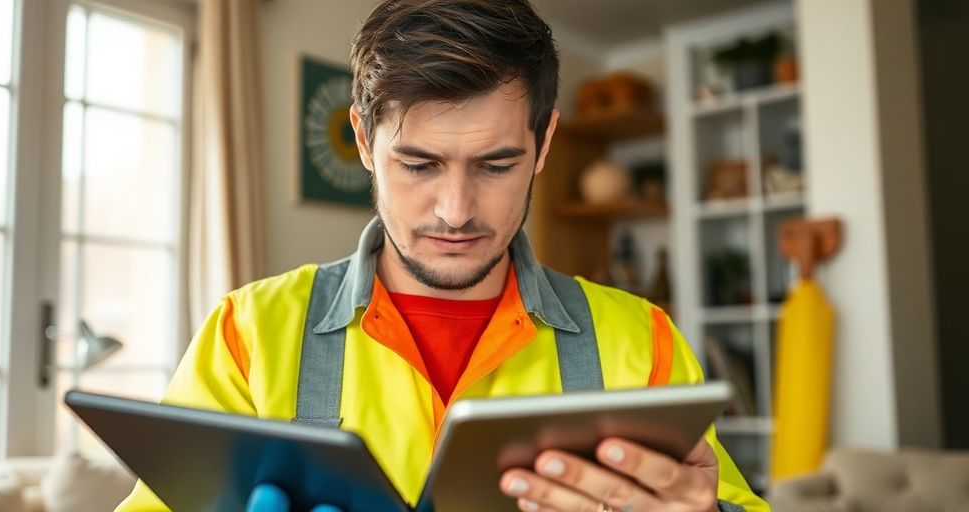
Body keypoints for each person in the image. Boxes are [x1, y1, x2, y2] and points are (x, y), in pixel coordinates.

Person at [116, 1, 770, 510]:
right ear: (365, 141)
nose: (455, 210)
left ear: (543, 145)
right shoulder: (246, 335)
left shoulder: (643, 342)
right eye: (420, 164)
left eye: (495, 164)